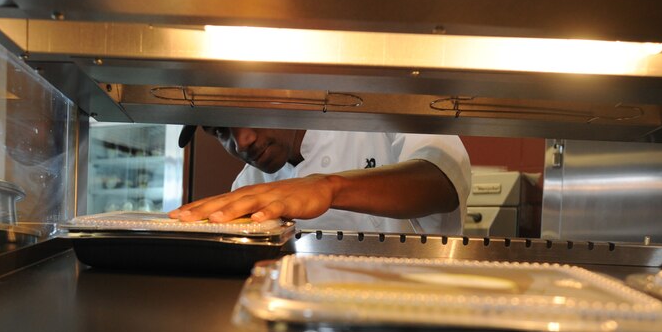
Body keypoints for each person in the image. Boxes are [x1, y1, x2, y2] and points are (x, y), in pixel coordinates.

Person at [169, 126, 471, 235]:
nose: (242, 140)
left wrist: (327, 187)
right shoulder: (248, 186)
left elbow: (443, 179)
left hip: (411, 322)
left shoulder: (377, 120)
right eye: (221, 130)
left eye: (245, 112)